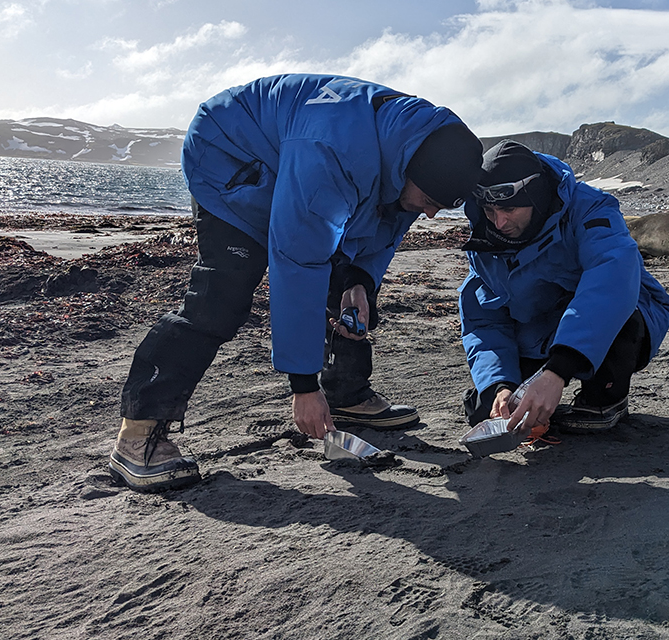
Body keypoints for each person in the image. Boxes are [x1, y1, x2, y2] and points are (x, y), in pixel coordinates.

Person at [108, 74, 483, 492]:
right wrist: (302, 387)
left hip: (309, 157)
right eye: (430, 203)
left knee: (347, 289)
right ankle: (139, 433)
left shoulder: (423, 154)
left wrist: (359, 279)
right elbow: (297, 259)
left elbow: (386, 226)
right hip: (233, 157)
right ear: (411, 174)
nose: (430, 215)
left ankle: (347, 395)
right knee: (222, 297)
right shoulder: (332, 155)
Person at [459, 140, 669, 435]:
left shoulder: (590, 208)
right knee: (488, 406)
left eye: (509, 208)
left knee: (621, 315)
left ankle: (605, 398)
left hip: (624, 314)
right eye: (489, 209)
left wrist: (556, 373)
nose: (498, 222)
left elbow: (611, 281)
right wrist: (499, 386)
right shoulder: (484, 239)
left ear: (534, 195)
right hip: (540, 328)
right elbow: (483, 317)